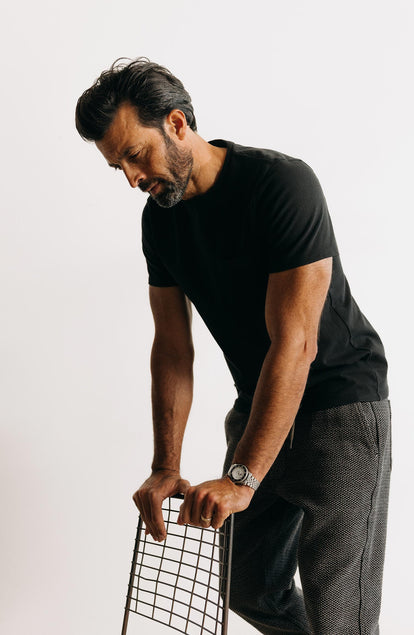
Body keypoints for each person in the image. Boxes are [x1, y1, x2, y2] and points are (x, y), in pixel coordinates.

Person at [75, 57, 392, 634]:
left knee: (340, 619)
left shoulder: (281, 184)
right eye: (116, 165)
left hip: (342, 411)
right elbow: (172, 349)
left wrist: (243, 479)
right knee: (247, 586)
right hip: (259, 408)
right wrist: (164, 467)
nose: (129, 178)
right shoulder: (160, 222)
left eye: (134, 154)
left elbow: (295, 344)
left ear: (176, 123)